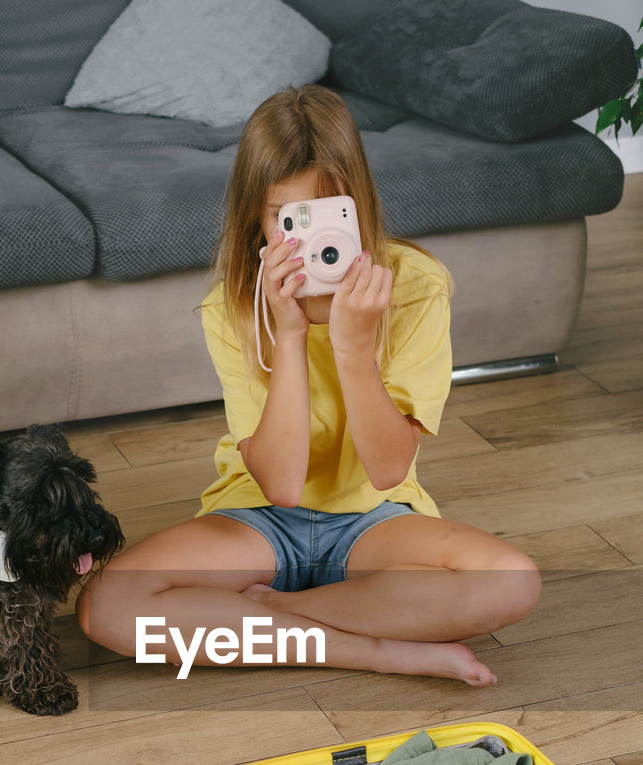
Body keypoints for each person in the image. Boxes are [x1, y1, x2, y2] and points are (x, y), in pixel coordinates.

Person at [77, 85, 540, 685]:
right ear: (257, 222)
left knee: (513, 581)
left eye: (330, 213)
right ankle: (377, 648)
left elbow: (386, 470)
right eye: (287, 219)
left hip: (375, 519)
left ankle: (277, 613)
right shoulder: (234, 305)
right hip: (259, 519)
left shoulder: (416, 285)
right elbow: (283, 486)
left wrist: (352, 345)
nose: (311, 239)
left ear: (359, 203)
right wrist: (288, 336)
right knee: (106, 606)